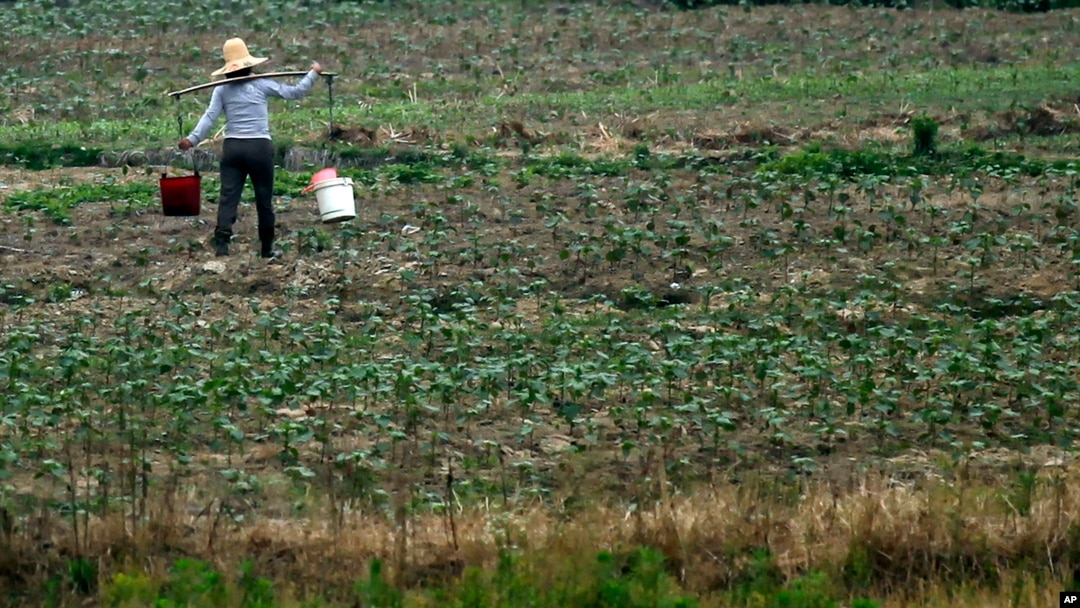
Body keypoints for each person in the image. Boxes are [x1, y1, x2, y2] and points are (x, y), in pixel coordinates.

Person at [178, 37, 323, 259]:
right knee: (264, 199)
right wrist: (313, 73)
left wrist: (192, 139)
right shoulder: (262, 83)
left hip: (233, 148)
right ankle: (267, 250)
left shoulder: (222, 89)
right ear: (249, 64)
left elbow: (210, 117)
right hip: (259, 148)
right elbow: (294, 93)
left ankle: (222, 245)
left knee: (228, 196)